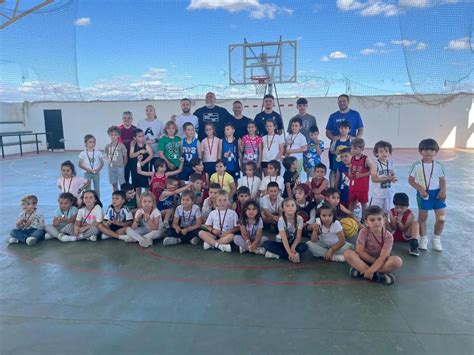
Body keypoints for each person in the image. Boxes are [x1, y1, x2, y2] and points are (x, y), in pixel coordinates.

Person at [344, 205, 402, 285]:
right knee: (348, 253)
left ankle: (362, 272)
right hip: (365, 259)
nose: (376, 222)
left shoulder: (388, 236)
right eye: (372, 220)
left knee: (397, 261)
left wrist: (371, 270)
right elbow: (360, 251)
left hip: (381, 261)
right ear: (366, 222)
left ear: (384, 220)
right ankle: (377, 276)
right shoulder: (363, 232)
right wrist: (373, 265)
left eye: (379, 219)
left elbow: (383, 256)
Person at [408, 138, 446, 251]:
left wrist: (443, 190)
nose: (429, 151)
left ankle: (436, 239)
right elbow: (410, 180)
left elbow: (442, 180)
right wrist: (420, 189)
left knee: (441, 218)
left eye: (432, 149)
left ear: (436, 151)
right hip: (423, 194)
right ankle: (423, 239)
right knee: (423, 218)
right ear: (421, 151)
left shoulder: (438, 165)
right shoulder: (416, 165)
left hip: (437, 194)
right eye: (426, 149)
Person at [326, 95, 364, 184]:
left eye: (344, 101)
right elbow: (328, 132)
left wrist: (355, 141)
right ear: (338, 102)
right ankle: (333, 190)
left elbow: (361, 130)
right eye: (340, 101)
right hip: (336, 150)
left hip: (350, 148)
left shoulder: (355, 114)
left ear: (348, 102)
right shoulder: (333, 116)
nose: (342, 103)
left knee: (351, 169)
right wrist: (334, 139)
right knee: (334, 170)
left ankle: (351, 188)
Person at [348, 138, 374, 214]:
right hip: (353, 186)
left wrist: (362, 175)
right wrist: (349, 173)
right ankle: (350, 216)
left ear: (362, 148)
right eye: (351, 148)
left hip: (362, 187)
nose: (352, 150)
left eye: (355, 148)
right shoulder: (352, 158)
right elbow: (350, 166)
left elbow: (374, 170)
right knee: (352, 202)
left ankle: (364, 218)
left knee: (363, 203)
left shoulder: (366, 159)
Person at [370, 140, 397, 213]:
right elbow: (374, 179)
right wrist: (388, 178)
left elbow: (393, 175)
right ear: (376, 153)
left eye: (386, 151)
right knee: (375, 212)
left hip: (388, 193)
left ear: (389, 152)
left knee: (386, 212)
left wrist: (394, 179)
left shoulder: (390, 163)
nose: (384, 153)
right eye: (381, 151)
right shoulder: (375, 164)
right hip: (377, 194)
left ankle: (385, 224)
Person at [129, 128, 154, 198]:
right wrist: (139, 152)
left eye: (143, 136)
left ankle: (148, 201)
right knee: (137, 188)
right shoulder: (133, 144)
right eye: (140, 136)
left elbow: (151, 155)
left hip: (144, 169)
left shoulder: (146, 145)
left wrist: (144, 162)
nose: (142, 138)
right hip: (135, 169)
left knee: (147, 187)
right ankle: (139, 205)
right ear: (135, 138)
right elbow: (131, 155)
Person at [104, 126, 128, 192]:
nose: (113, 136)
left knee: (122, 184)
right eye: (111, 135)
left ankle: (122, 197)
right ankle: (116, 196)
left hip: (120, 167)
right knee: (114, 184)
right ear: (109, 135)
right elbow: (106, 155)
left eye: (115, 135)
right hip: (111, 168)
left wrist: (124, 165)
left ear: (118, 135)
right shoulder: (107, 146)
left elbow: (125, 156)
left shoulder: (121, 145)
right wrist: (107, 159)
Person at [329, 120, 351, 186]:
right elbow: (331, 150)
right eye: (341, 128)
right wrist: (335, 152)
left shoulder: (351, 140)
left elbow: (353, 152)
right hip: (337, 163)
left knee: (345, 181)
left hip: (346, 164)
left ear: (349, 130)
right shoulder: (335, 139)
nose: (343, 129)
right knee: (336, 177)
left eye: (345, 128)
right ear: (339, 129)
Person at [118, 111, 136, 183]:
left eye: (129, 118)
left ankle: (134, 193)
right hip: (123, 157)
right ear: (122, 119)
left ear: (132, 119)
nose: (127, 119)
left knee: (134, 176)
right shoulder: (119, 129)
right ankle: (125, 193)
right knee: (125, 177)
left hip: (133, 156)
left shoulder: (135, 129)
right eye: (125, 118)